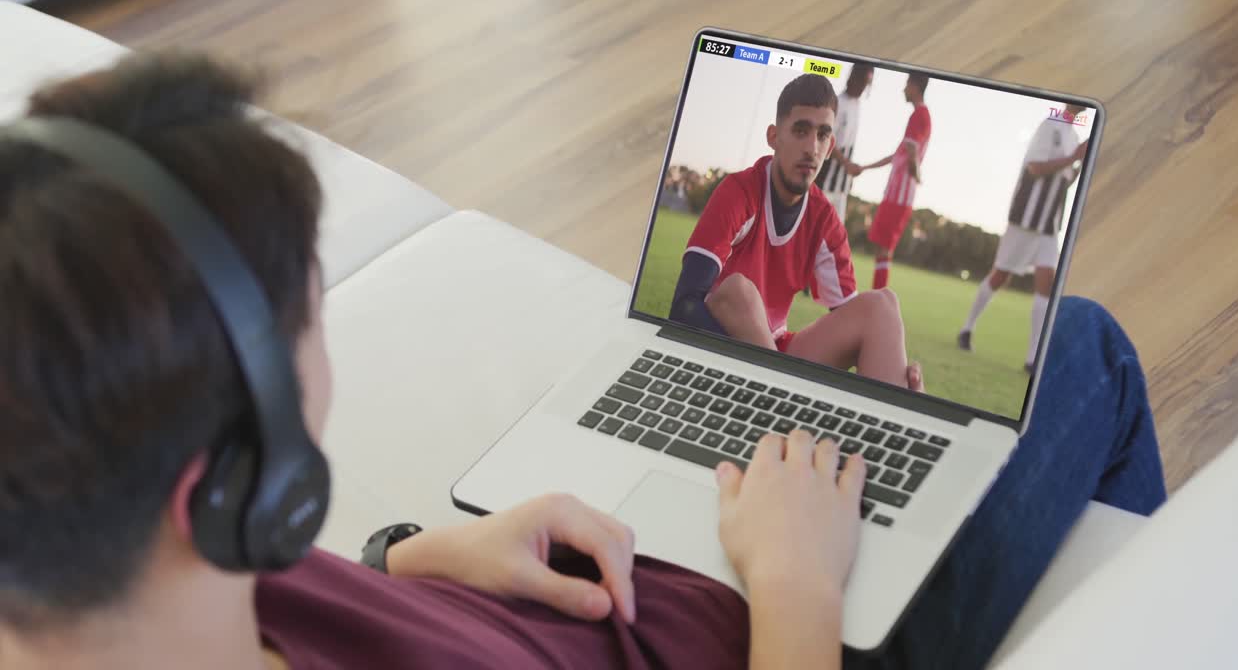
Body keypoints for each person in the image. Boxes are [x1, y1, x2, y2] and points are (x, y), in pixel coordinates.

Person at [0, 54, 1166, 670]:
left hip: (618, 570)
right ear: (234, 486)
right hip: (786, 618)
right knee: (1090, 350)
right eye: (306, 320)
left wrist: (412, 560)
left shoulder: (125, 571)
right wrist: (799, 586)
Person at [668, 73, 921, 389]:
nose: (811, 148)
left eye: (823, 135)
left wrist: (900, 383)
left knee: (881, 305)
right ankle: (778, 390)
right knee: (739, 292)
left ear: (830, 147)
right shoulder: (739, 191)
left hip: (774, 350)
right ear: (774, 137)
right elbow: (684, 306)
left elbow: (853, 327)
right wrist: (754, 364)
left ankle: (899, 418)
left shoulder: (825, 221)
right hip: (723, 344)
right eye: (801, 131)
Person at [958, 103, 1089, 373]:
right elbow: (1035, 168)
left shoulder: (1074, 135)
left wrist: (1080, 165)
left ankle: (1032, 360)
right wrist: (1073, 156)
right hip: (1026, 218)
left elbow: (1064, 180)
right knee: (1000, 276)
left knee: (1046, 285)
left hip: (1050, 223)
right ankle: (966, 328)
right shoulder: (1049, 125)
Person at [850, 73, 931, 290]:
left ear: (915, 86)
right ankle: (878, 296)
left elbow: (913, 150)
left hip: (900, 196)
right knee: (882, 248)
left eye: (906, 85)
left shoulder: (920, 115)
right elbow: (896, 157)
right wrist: (864, 168)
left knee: (885, 249)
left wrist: (916, 174)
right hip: (895, 194)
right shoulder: (917, 116)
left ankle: (879, 298)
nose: (903, 89)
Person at [815, 63, 874, 224]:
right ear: (853, 78)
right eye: (862, 82)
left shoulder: (857, 105)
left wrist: (848, 174)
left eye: (866, 84)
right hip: (825, 180)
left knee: (835, 237)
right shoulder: (837, 103)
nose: (863, 88)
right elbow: (826, 139)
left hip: (841, 186)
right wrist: (847, 164)